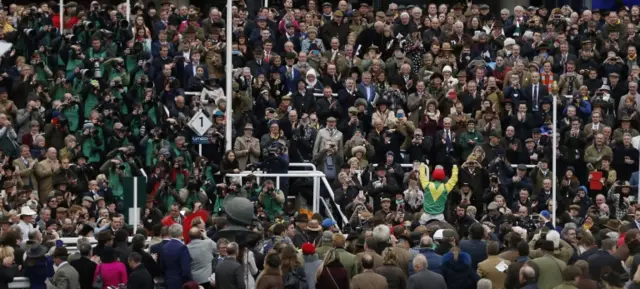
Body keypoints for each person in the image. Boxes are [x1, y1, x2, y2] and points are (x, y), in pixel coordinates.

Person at [162, 224, 193, 289]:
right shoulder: (182, 248)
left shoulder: (164, 247)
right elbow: (186, 270)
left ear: (170, 233)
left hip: (168, 280)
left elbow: (162, 266)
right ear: (181, 233)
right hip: (180, 283)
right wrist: (190, 282)